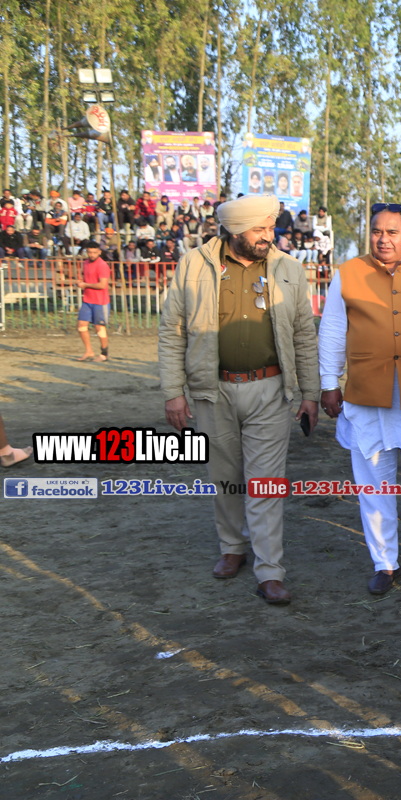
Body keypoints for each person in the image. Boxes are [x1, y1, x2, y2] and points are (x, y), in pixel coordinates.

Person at [158, 194, 320, 605]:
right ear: (233, 230)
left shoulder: (289, 268)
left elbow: (304, 333)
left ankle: (270, 570)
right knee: (224, 476)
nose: (268, 236)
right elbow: (172, 331)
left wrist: (310, 393)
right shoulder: (193, 265)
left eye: (271, 227)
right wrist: (173, 392)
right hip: (212, 390)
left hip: (271, 390)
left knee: (266, 483)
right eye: (259, 229)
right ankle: (232, 546)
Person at [319, 201, 401, 589]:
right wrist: (329, 382)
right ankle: (385, 562)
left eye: (392, 232)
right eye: (377, 231)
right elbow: (332, 330)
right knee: (373, 481)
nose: (384, 239)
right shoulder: (348, 273)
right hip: (368, 393)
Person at [75, 241, 111, 362]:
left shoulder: (102, 265)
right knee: (81, 325)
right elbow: (85, 277)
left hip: (100, 301)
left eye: (94, 252)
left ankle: (104, 354)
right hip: (87, 300)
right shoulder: (85, 263)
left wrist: (85, 285)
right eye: (89, 252)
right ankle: (89, 351)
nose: (92, 255)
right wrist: (80, 280)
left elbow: (102, 285)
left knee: (99, 327)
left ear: (99, 252)